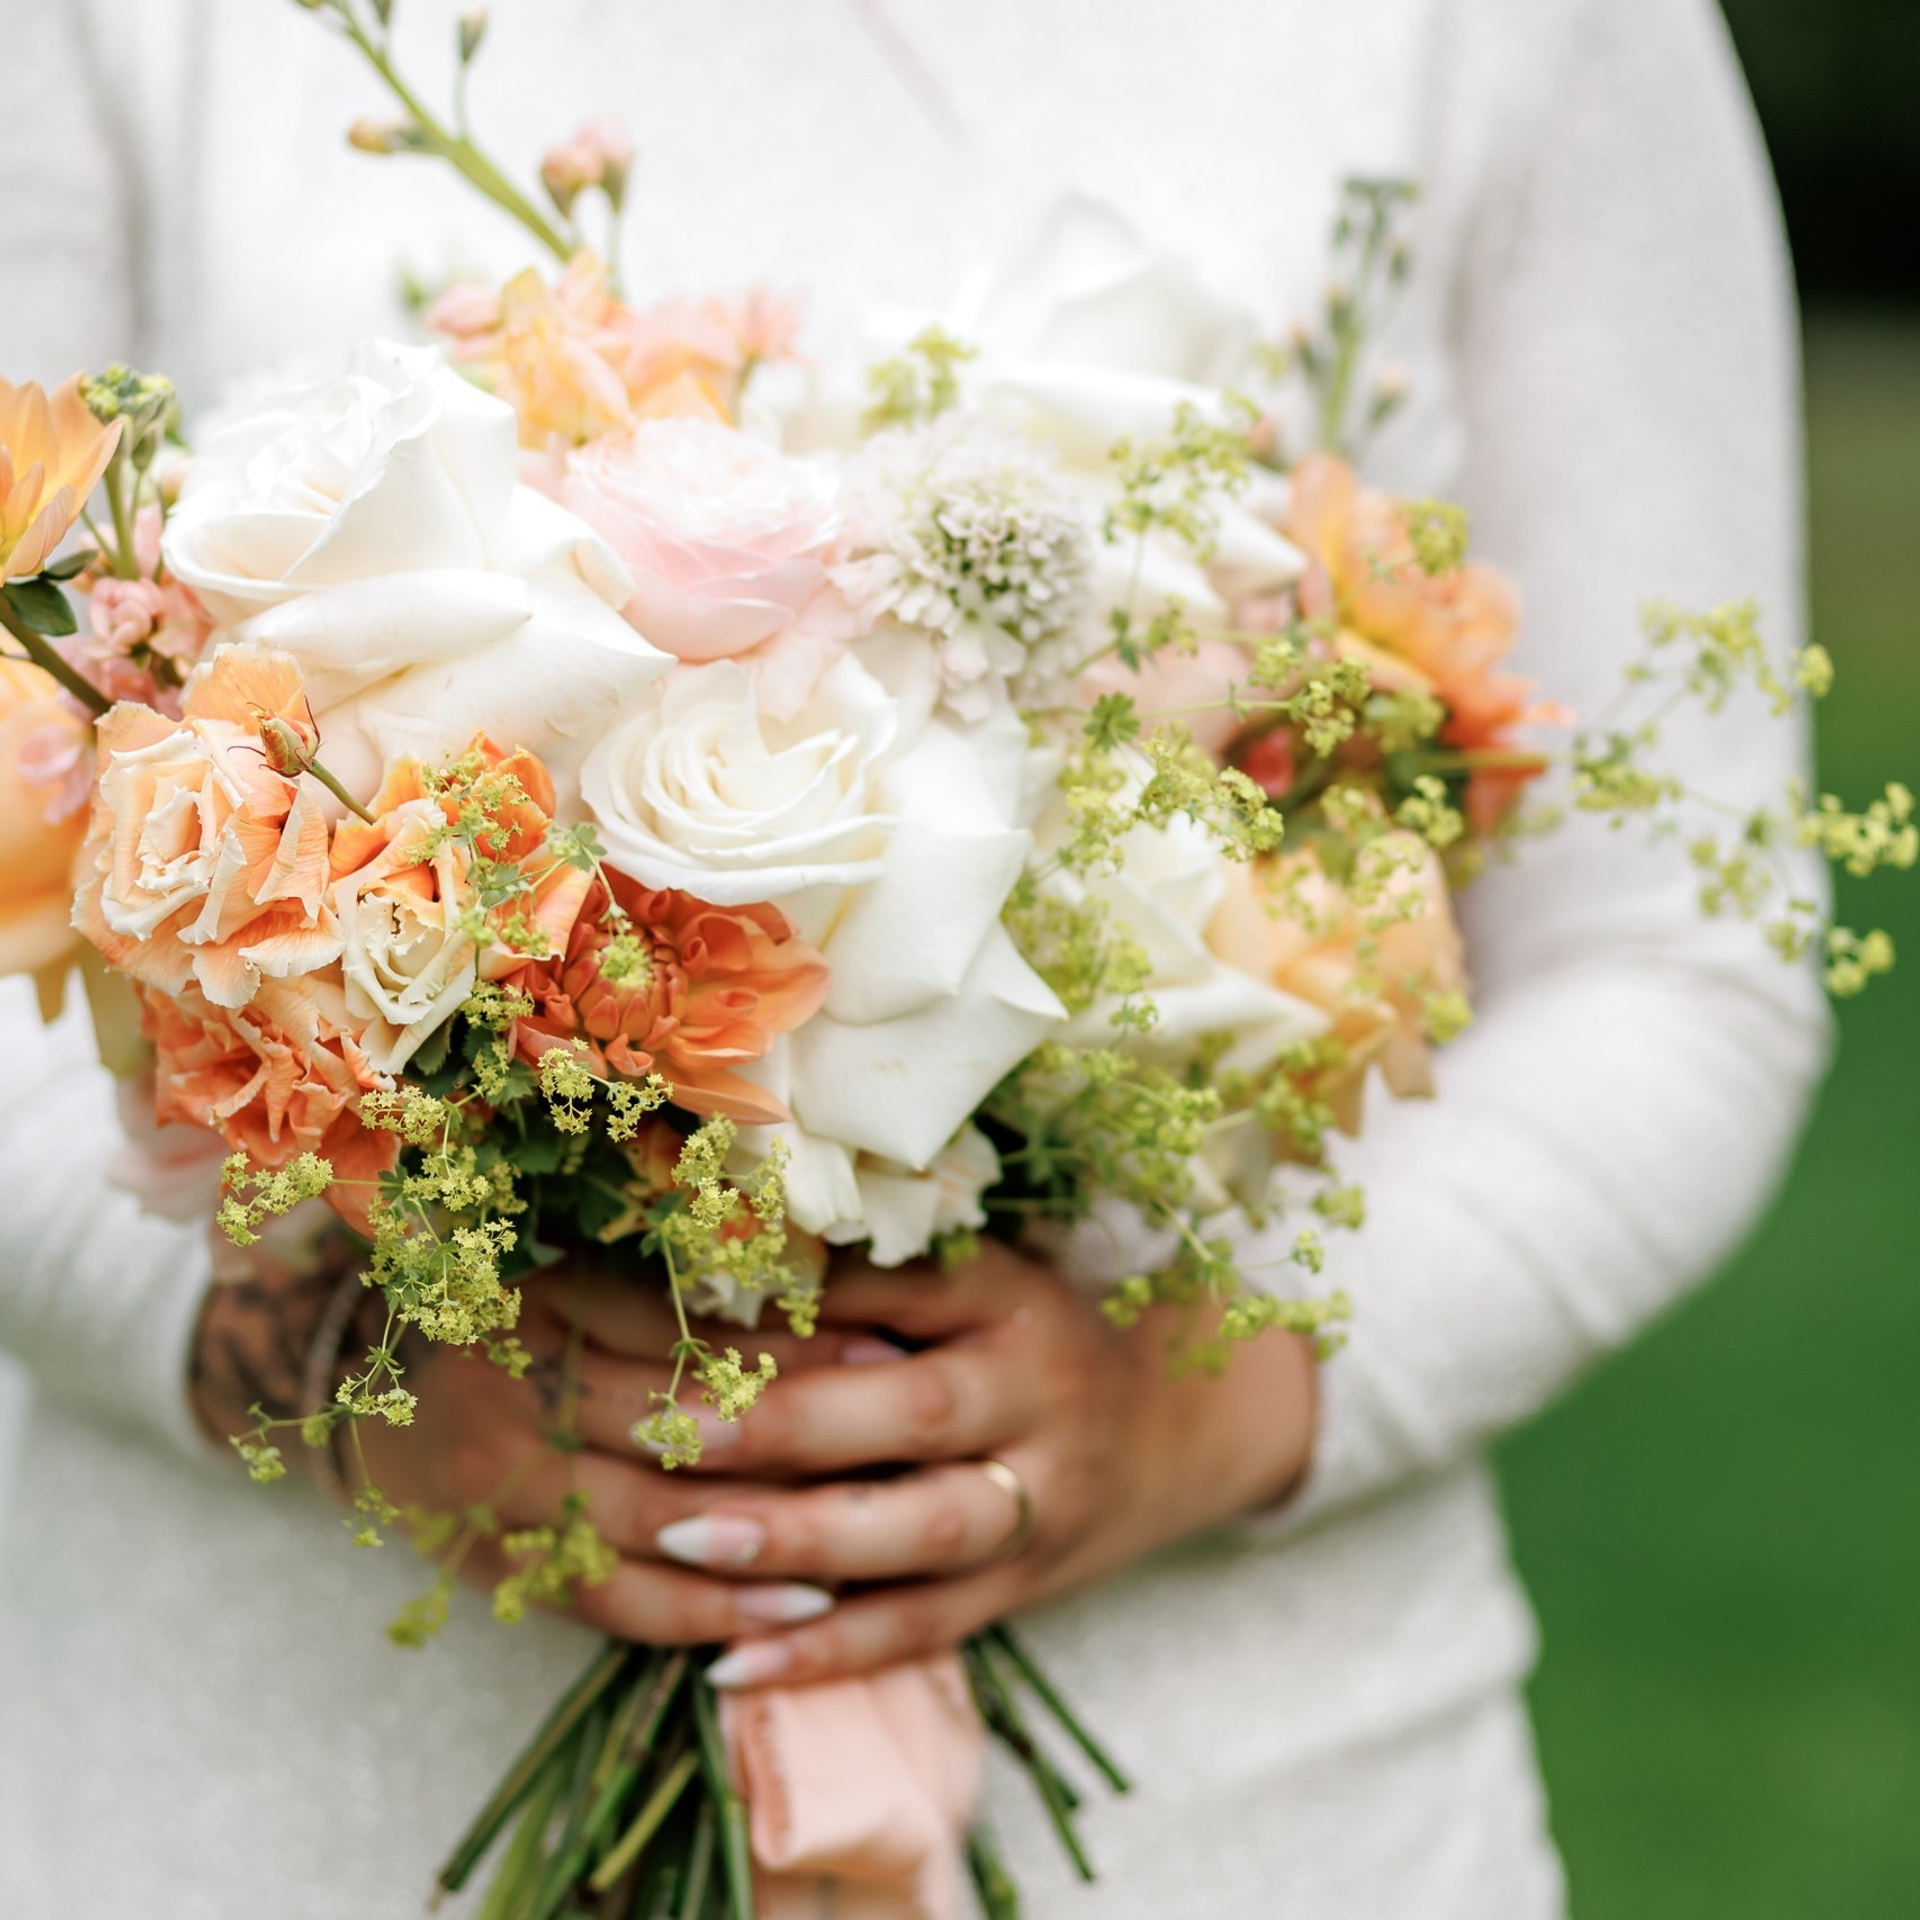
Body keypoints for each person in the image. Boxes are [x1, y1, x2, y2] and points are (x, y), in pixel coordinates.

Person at [0, 1, 1828, 1914]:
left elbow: (1675, 957)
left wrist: (1212, 1403)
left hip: (1254, 1810)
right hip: (259, 1805)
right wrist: (317, 1364)